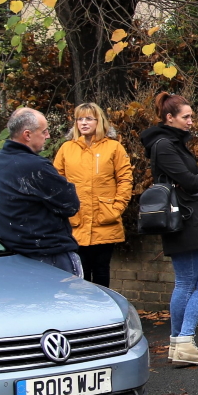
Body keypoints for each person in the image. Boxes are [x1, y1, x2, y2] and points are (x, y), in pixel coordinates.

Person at [140, 92, 198, 367]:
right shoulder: (164, 145)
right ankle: (183, 340)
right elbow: (186, 179)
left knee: (197, 282)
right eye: (186, 117)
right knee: (197, 282)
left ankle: (178, 343)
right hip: (182, 220)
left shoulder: (171, 143)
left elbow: (190, 180)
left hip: (188, 218)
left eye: (192, 116)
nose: (191, 122)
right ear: (169, 118)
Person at [0, 108, 82, 276]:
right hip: (49, 256)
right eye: (44, 131)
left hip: (15, 257)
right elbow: (70, 205)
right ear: (27, 135)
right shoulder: (35, 167)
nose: (48, 135)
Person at [54, 103, 134, 287]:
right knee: (79, 274)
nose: (83, 123)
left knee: (101, 271)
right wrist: (63, 208)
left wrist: (117, 208)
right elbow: (56, 183)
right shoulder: (67, 148)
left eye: (88, 118)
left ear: (99, 121)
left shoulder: (114, 148)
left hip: (104, 220)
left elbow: (125, 180)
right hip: (76, 220)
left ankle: (105, 312)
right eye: (79, 119)